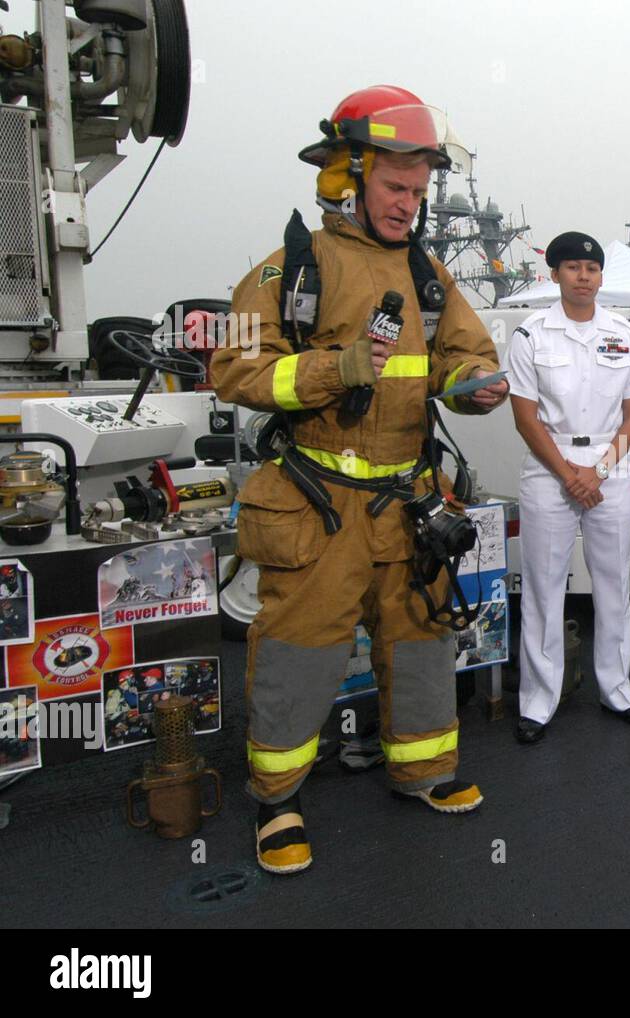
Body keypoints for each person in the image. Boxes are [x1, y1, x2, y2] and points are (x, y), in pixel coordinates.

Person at [210, 85, 508, 875]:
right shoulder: (287, 268)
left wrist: (474, 382)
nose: (408, 204)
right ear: (345, 177)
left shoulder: (430, 273)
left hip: (404, 499)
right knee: (300, 651)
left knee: (417, 642)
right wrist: (331, 370)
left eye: (417, 190)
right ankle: (277, 800)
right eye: (393, 187)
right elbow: (233, 368)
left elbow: (463, 353)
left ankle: (423, 771)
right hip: (317, 502)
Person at [506, 232, 630, 744]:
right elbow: (525, 418)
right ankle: (538, 700)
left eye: (591, 268)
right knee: (544, 588)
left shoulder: (624, 332)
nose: (583, 276)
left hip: (609, 466)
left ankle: (618, 688)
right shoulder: (530, 334)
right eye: (572, 268)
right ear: (555, 276)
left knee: (614, 585)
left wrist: (598, 472)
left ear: (600, 277)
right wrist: (570, 473)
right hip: (551, 467)